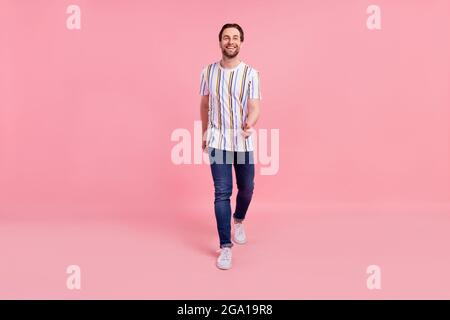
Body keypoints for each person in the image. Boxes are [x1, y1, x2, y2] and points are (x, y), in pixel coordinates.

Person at [199, 23, 262, 270]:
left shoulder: (251, 74)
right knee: (221, 192)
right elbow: (204, 105)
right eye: (226, 37)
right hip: (217, 140)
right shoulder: (207, 72)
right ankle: (225, 246)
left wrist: (251, 121)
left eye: (235, 37)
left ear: (241, 42)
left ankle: (239, 219)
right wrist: (204, 131)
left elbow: (255, 106)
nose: (231, 41)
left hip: (242, 139)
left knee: (247, 187)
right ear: (220, 42)